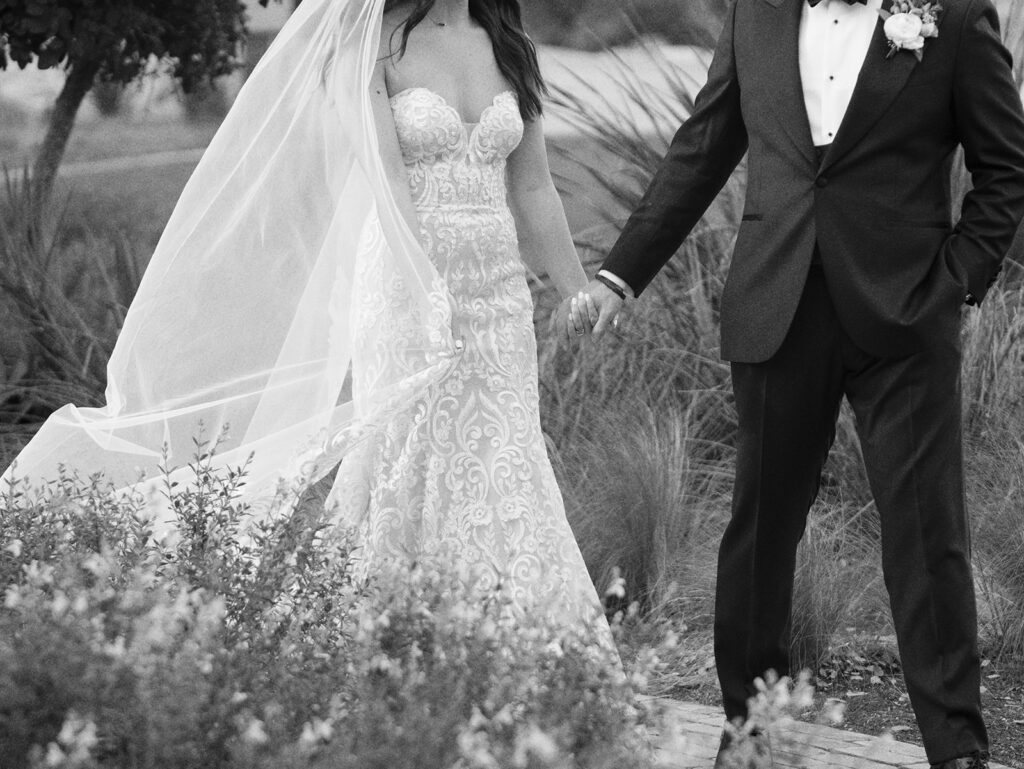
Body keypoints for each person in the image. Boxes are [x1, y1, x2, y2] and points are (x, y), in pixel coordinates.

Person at [3, 0, 608, 632]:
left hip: (499, 298)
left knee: (504, 451)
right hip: (408, 283)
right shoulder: (372, 42)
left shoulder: (511, 45)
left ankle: (524, 631)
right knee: (411, 454)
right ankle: (397, 630)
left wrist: (573, 289)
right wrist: (426, 286)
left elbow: (534, 187)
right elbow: (387, 180)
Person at [577, 0, 1024, 767]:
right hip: (775, 305)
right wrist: (622, 274)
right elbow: (705, 145)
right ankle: (753, 734)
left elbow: (1005, 170)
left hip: (904, 320)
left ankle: (957, 749)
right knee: (759, 534)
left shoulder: (952, 18)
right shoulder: (756, 15)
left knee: (927, 539)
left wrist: (953, 283)